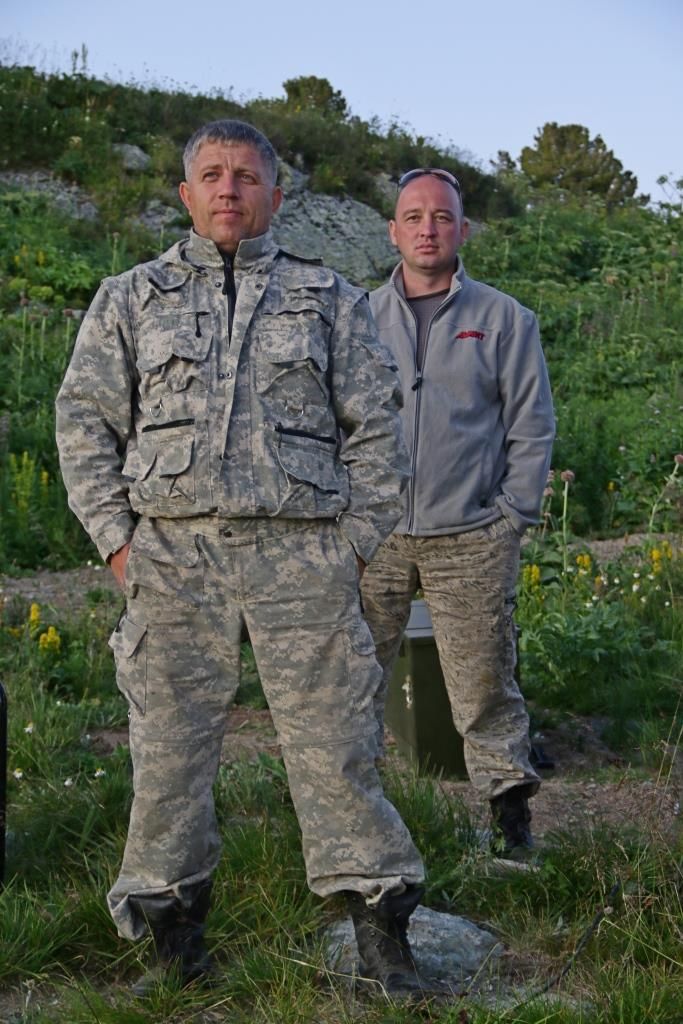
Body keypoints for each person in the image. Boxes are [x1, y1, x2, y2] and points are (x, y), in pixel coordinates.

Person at [55, 120, 428, 997]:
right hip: (172, 558)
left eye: (247, 176)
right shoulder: (129, 297)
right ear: (186, 194)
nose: (230, 189)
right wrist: (118, 543)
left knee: (337, 748)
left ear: (275, 196)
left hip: (302, 558)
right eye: (213, 175)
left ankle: (380, 933)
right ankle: (172, 939)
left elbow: (378, 432)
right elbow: (83, 423)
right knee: (168, 752)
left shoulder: (328, 298)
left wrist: (351, 547)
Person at [361, 168, 555, 858]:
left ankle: (509, 825)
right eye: (413, 217)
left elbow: (531, 425)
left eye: (441, 217)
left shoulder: (504, 319)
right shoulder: (355, 317)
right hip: (375, 536)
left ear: (462, 230)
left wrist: (511, 516)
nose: (427, 229)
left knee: (483, 684)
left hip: (471, 534)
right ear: (393, 231)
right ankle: (353, 825)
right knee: (353, 677)